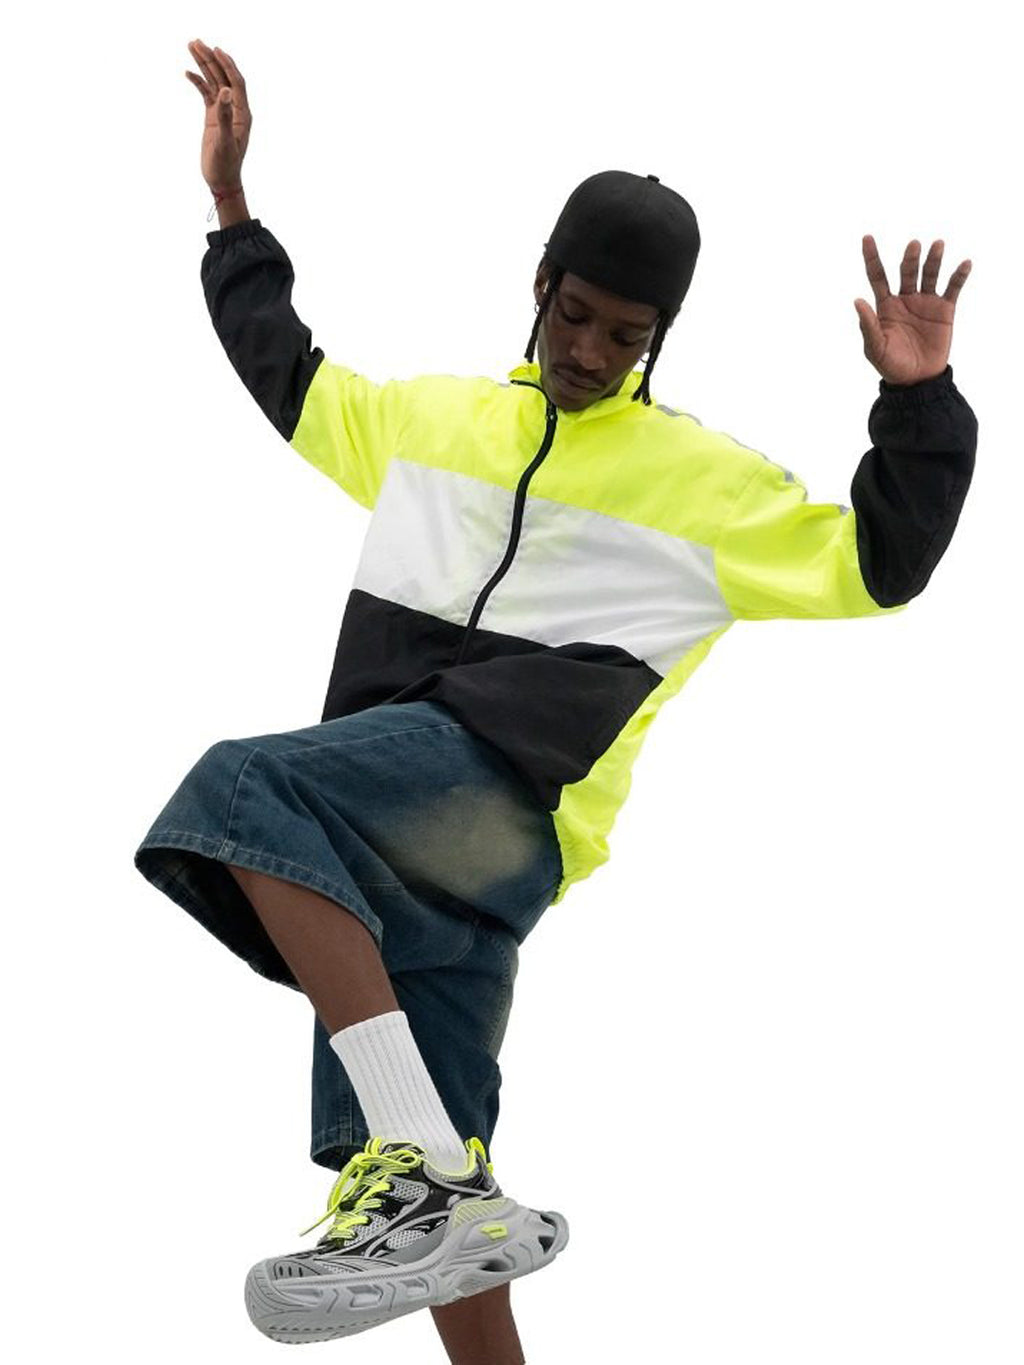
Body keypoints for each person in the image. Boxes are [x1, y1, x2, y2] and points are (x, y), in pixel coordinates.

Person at [134, 36, 977, 1361]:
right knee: (459, 1233)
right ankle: (434, 1186)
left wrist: (916, 405)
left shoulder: (706, 487)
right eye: (574, 314)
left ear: (660, 339)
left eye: (626, 336)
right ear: (540, 286)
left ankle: (415, 1175)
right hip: (408, 861)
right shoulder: (432, 423)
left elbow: (880, 566)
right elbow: (287, 371)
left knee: (248, 790)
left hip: (504, 809)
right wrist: (232, 210)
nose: (590, 350)